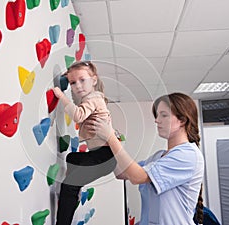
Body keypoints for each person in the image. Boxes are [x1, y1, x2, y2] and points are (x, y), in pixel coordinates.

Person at [86, 92, 205, 225]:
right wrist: (107, 136)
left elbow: (137, 177)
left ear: (182, 120)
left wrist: (110, 138)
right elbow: (122, 173)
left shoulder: (188, 155)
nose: (156, 120)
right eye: (157, 115)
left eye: (163, 115)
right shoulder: (158, 157)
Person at [52, 61, 117, 225]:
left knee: (69, 186)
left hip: (104, 156)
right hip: (99, 155)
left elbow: (79, 115)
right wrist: (69, 76)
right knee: (72, 158)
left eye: (82, 80)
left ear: (94, 80)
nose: (77, 86)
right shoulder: (92, 97)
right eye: (73, 82)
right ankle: (74, 190)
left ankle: (71, 193)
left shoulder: (93, 98)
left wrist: (61, 96)